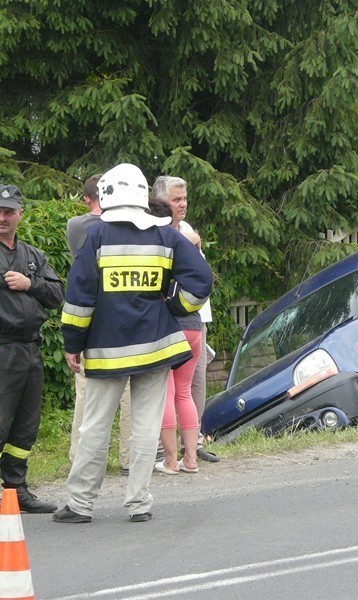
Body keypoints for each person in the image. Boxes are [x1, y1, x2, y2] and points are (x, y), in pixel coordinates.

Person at [55, 163, 212, 524]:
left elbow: (79, 298)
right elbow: (201, 279)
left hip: (106, 350)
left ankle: (80, 505)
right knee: (145, 426)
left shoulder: (95, 237)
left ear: (107, 198)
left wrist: (73, 342)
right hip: (156, 347)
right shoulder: (165, 236)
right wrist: (174, 306)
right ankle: (139, 503)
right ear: (144, 197)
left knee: (94, 426)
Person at [0, 183, 64, 513]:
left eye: (8, 211)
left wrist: (30, 283)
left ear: (19, 215)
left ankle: (15, 489)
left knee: (25, 426)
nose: (2, 217)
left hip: (29, 350)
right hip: (2, 350)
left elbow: (56, 296)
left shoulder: (32, 256)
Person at [66, 175, 132, 475]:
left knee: (87, 391)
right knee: (129, 391)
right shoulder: (122, 228)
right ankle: (130, 458)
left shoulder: (76, 226)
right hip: (124, 316)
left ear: (86, 198)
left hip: (91, 319)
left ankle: (81, 456)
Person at [152, 176, 219, 463]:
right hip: (169, 320)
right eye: (176, 199)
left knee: (191, 386)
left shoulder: (188, 230)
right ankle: (165, 451)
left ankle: (189, 448)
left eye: (184, 198)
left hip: (195, 318)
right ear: (160, 203)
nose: (183, 204)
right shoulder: (155, 230)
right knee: (168, 387)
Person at [154, 228, 204, 475]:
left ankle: (171, 461)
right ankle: (191, 459)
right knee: (184, 393)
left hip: (172, 330)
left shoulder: (164, 257)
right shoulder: (193, 264)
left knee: (167, 392)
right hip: (195, 328)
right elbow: (195, 239)